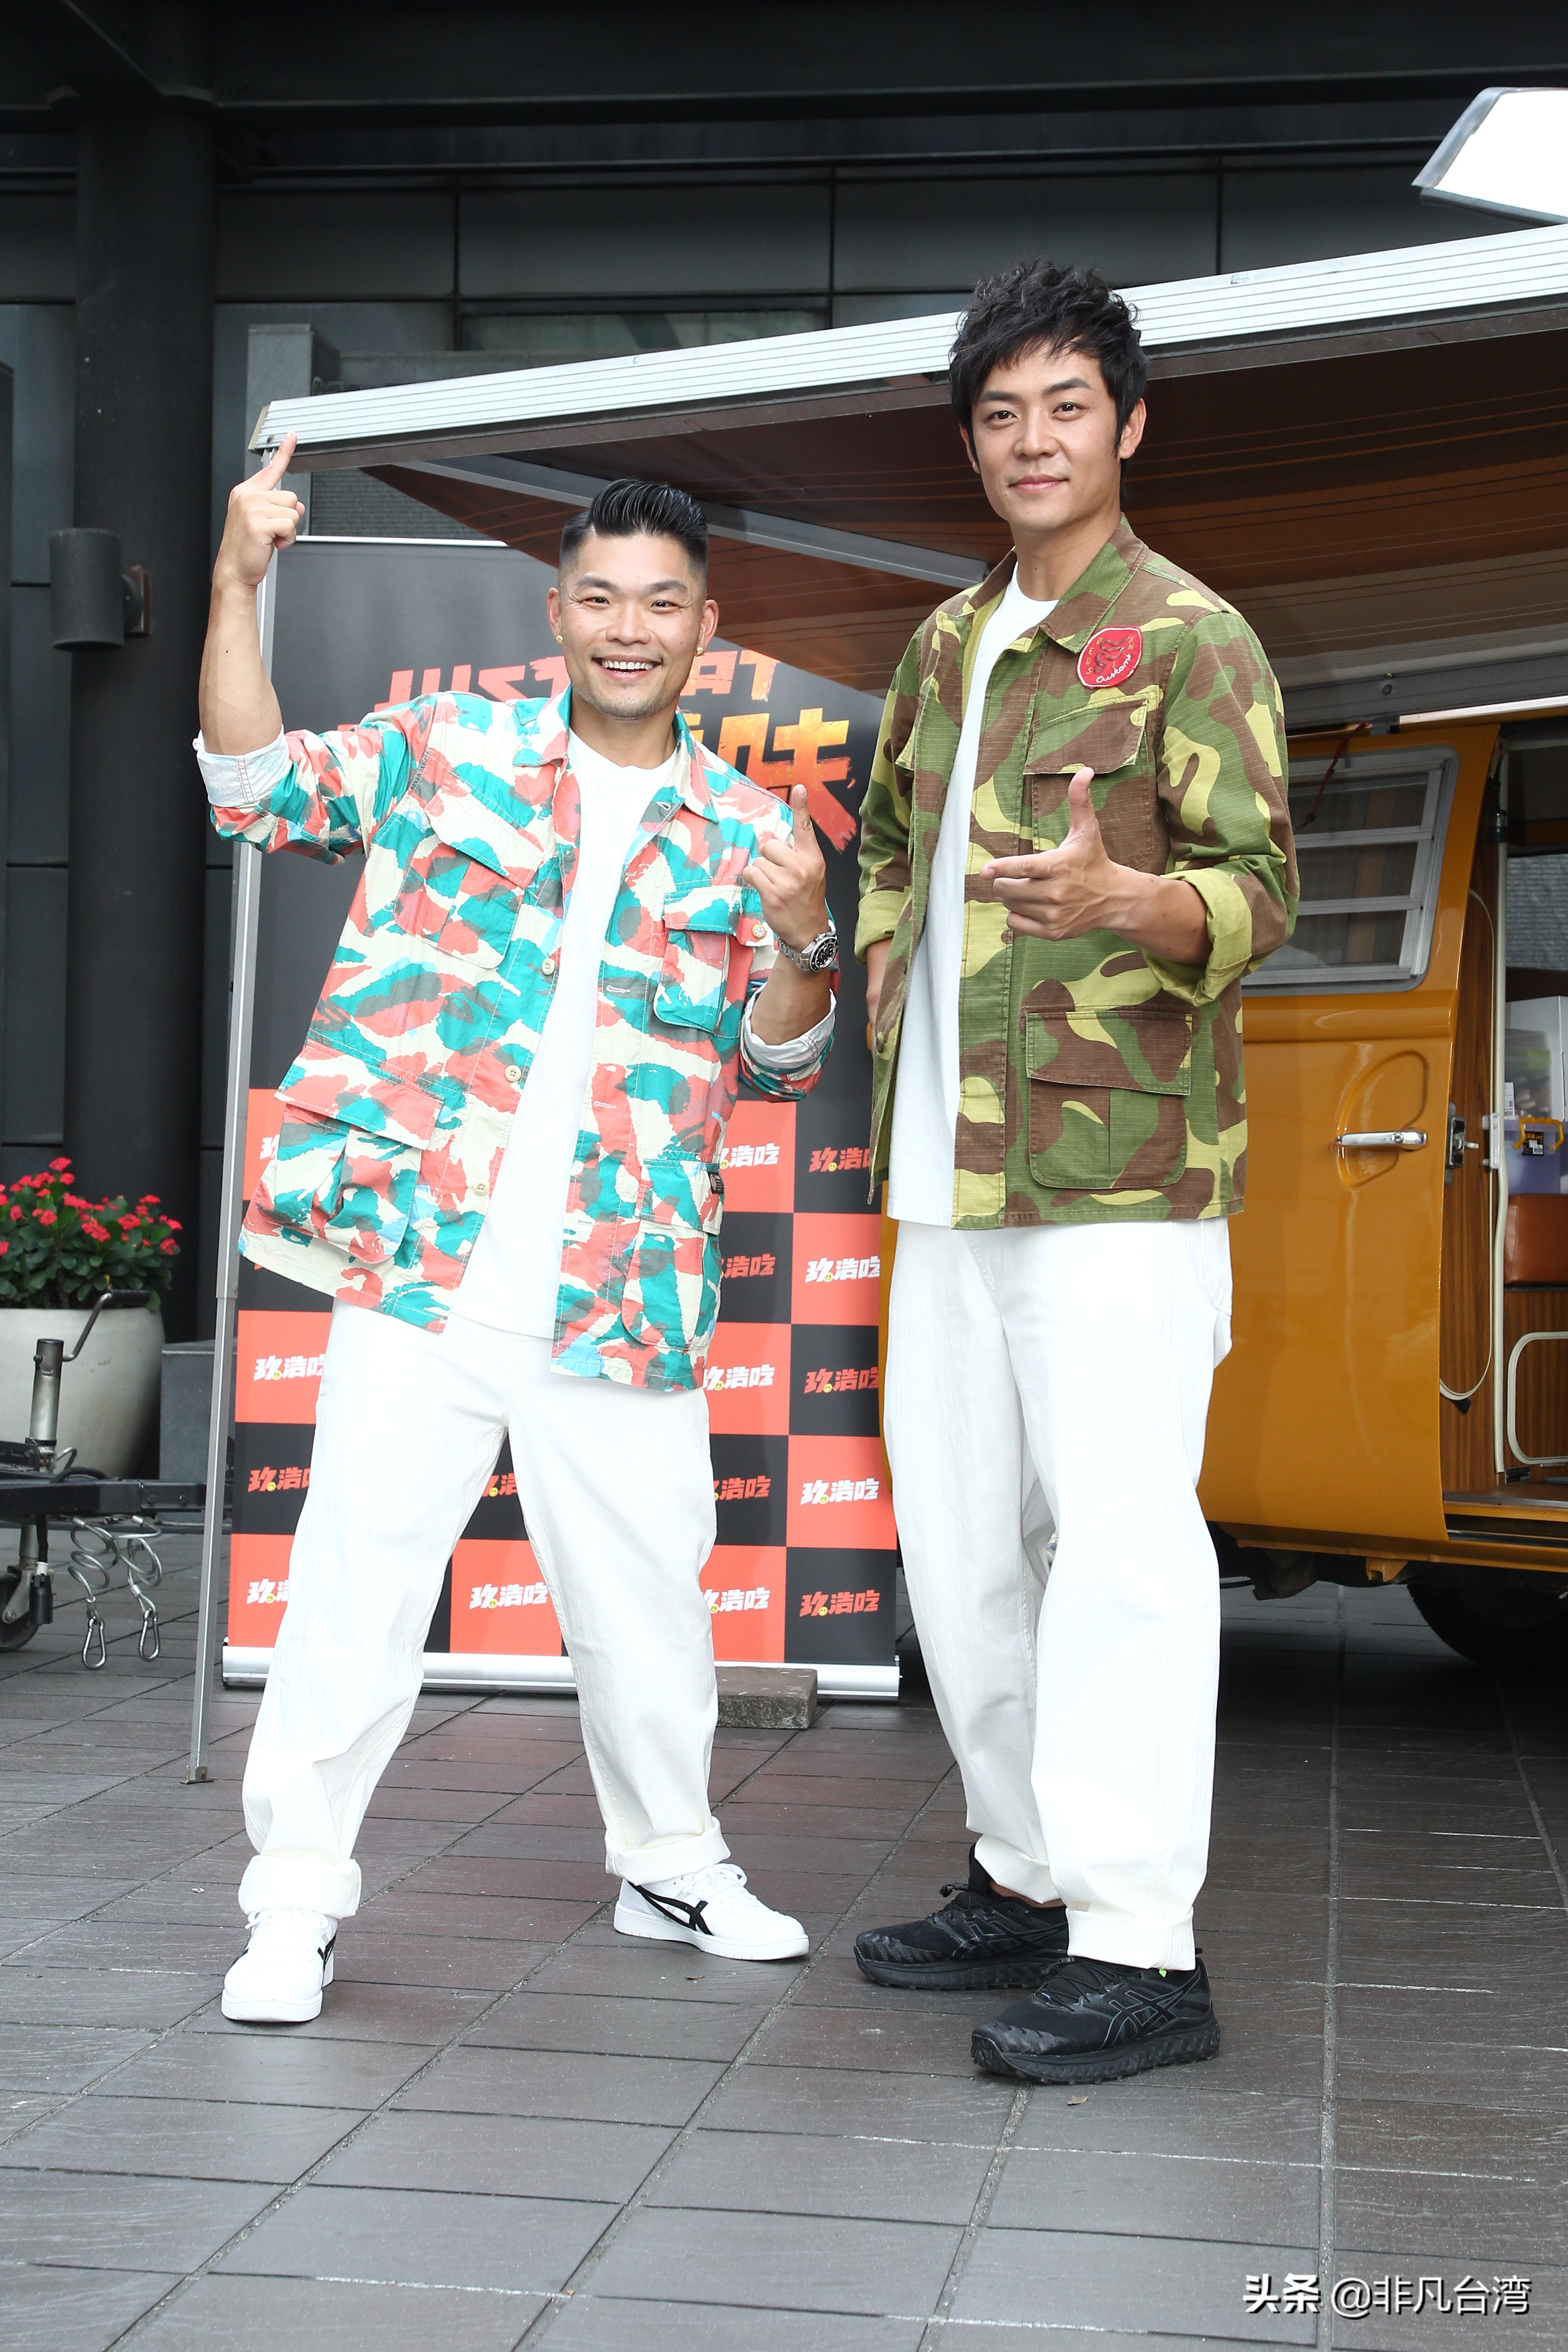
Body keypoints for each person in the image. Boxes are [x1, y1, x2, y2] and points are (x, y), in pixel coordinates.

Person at [198, 464, 841, 2023]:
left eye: (662, 603)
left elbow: (782, 1063)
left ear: (706, 630)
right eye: (601, 598)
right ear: (556, 613)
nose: (630, 628)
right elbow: (253, 785)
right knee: (354, 1591)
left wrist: (808, 936)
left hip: (624, 1284)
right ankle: (294, 1902)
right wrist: (235, 583)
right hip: (423, 1261)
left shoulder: (757, 828)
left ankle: (670, 1862)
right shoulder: (445, 748)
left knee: (652, 1611)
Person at [853, 262, 1298, 2083]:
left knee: (1120, 1553)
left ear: (1129, 425)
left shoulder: (1191, 634)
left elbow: (1260, 888)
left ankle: (1140, 1949)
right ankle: (1024, 1875)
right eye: (1000, 414)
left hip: (1118, 1175)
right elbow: (889, 844)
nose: (1032, 441)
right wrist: (875, 960)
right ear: (972, 445)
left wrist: (1130, 898)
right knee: (963, 1546)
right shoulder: (946, 644)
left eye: (1066, 406)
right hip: (942, 1174)